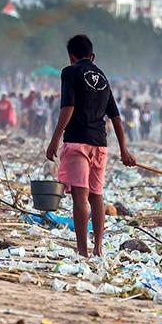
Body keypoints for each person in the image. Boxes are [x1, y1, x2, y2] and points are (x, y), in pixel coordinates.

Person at [45, 34, 137, 257]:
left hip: (78, 141)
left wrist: (55, 139)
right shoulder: (103, 78)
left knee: (80, 195)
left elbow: (68, 107)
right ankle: (98, 249)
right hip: (100, 145)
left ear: (71, 57)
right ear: (92, 56)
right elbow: (115, 116)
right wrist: (124, 149)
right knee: (96, 196)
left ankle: (82, 250)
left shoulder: (70, 72)